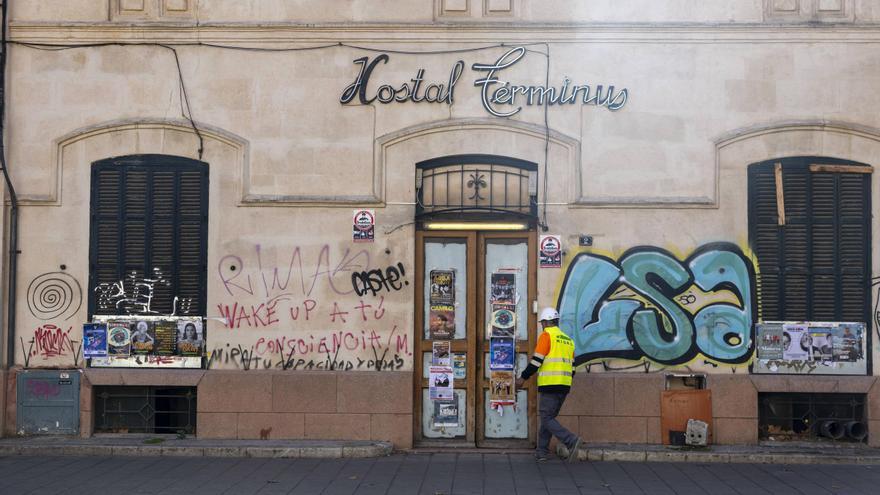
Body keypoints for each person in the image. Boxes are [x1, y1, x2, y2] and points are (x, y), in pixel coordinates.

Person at [516, 307, 583, 462]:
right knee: (549, 417)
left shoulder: (547, 336)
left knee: (546, 418)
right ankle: (542, 451)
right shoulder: (568, 340)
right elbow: (573, 368)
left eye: (542, 323)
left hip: (550, 384)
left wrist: (523, 378)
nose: (542, 325)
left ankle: (571, 440)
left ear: (545, 322)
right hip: (564, 386)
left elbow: (536, 361)